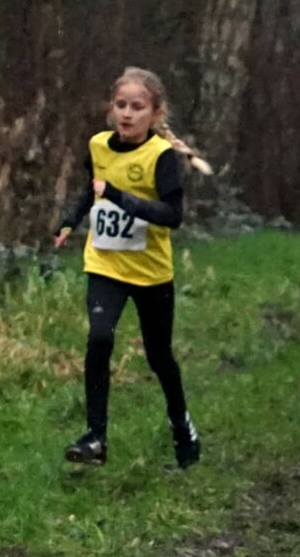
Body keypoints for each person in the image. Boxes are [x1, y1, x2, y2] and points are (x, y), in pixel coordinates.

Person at [53, 67, 207, 468]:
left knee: (159, 356)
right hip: (104, 263)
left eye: (137, 107)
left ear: (155, 114)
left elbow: (172, 216)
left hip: (150, 272)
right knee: (99, 339)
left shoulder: (162, 157)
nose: (127, 114)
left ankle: (181, 424)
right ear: (111, 109)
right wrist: (70, 220)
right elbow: (93, 187)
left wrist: (121, 197)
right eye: (121, 105)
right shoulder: (98, 145)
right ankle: (95, 438)